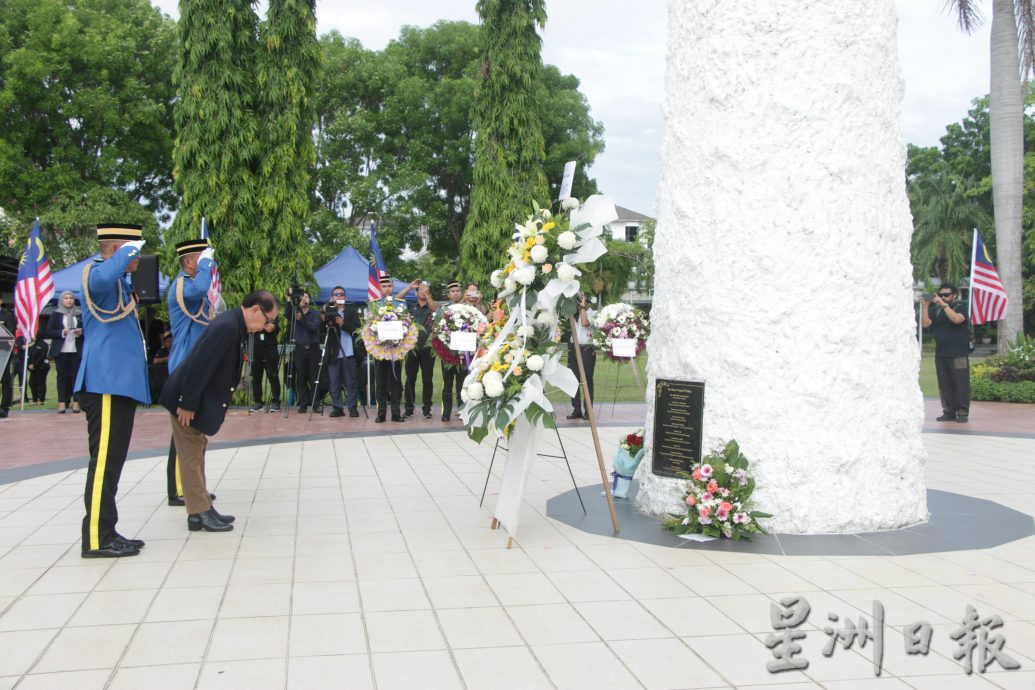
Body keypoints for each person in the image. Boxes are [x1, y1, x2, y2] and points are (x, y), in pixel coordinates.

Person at [161, 291, 279, 532]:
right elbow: (200, 364)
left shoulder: (233, 324)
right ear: (256, 310)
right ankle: (198, 513)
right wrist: (187, 402)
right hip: (186, 400)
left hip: (193, 399)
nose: (266, 325)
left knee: (197, 448)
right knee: (191, 455)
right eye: (267, 319)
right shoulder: (227, 326)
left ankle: (202, 506)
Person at [75, 222, 150, 558]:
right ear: (119, 250)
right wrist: (126, 254)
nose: (139, 259)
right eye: (134, 251)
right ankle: (96, 538)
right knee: (104, 463)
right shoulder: (97, 275)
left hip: (118, 384)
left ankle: (107, 530)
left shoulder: (118, 283)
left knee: (113, 463)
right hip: (105, 382)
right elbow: (103, 277)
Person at [165, 239, 215, 506]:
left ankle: (192, 485)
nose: (209, 264)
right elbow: (203, 286)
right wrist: (207, 263)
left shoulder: (194, 289)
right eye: (202, 258)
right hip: (184, 366)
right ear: (188, 261)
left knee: (194, 436)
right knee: (185, 436)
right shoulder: (184, 286)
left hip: (194, 365)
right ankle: (182, 489)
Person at [922, 283, 971, 423]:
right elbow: (925, 324)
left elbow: (956, 319)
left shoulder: (961, 307)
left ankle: (962, 412)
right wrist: (925, 307)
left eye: (946, 294)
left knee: (961, 384)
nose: (943, 297)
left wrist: (943, 304)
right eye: (941, 294)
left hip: (959, 353)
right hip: (941, 354)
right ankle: (949, 411)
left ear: (954, 295)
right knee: (945, 384)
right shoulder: (936, 310)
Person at [321, 286, 363, 418]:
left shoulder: (352, 311)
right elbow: (320, 331)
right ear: (332, 297)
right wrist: (323, 316)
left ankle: (352, 407)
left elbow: (357, 329)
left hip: (349, 353)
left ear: (345, 297)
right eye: (336, 294)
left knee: (351, 382)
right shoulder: (328, 311)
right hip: (333, 352)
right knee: (334, 382)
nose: (338, 296)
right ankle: (338, 407)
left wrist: (343, 323)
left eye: (341, 294)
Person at [398, 279, 437, 418]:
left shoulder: (431, 306)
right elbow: (398, 298)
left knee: (427, 379)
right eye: (420, 289)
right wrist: (409, 287)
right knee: (410, 379)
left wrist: (428, 297)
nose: (423, 291)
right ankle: (409, 409)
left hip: (427, 348)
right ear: (416, 292)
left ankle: (427, 410)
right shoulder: (410, 305)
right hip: (412, 348)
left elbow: (436, 310)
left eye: (426, 289)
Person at [370, 274, 407, 422]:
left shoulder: (401, 304)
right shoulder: (374, 304)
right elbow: (369, 326)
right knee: (380, 382)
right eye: (384, 286)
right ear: (380, 288)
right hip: (380, 350)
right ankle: (381, 413)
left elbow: (407, 324)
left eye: (389, 286)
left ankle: (396, 412)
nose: (387, 289)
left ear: (393, 287)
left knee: (396, 381)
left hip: (396, 350)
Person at [47, 291, 84, 413]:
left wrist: (80, 333)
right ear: (62, 300)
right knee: (62, 377)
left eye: (71, 298)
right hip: (61, 350)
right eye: (66, 298)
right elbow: (49, 332)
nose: (69, 300)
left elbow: (87, 330)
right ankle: (62, 403)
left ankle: (76, 403)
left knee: (75, 377)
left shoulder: (79, 314)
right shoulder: (56, 314)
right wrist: (63, 332)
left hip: (76, 350)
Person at [567, 291, 597, 420]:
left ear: (588, 303)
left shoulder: (594, 314)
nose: (579, 304)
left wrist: (583, 309)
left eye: (582, 302)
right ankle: (576, 409)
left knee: (587, 380)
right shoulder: (575, 314)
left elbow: (585, 324)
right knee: (573, 380)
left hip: (586, 351)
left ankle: (588, 411)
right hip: (574, 350)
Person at [291, 291, 322, 413]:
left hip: (313, 348)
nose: (304, 299)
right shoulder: (294, 313)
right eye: (302, 297)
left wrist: (302, 319)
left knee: (314, 378)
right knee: (301, 378)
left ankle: (316, 404)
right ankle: (303, 404)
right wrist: (290, 300)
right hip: (299, 348)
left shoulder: (315, 313)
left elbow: (313, 327)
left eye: (307, 297)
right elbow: (287, 313)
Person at [438, 281, 465, 421]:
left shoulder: (467, 308)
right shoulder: (442, 309)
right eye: (453, 291)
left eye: (458, 290)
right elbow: (437, 328)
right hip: (447, 354)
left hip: (463, 353)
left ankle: (462, 411)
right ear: (448, 294)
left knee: (462, 384)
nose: (456, 293)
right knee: (447, 384)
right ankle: (446, 413)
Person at [249, 307, 281, 413]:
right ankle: (258, 402)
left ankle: (276, 401)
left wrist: (259, 321)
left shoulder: (272, 316)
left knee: (273, 376)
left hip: (270, 351)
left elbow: (270, 328)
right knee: (256, 377)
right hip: (255, 350)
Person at [26, 331, 50, 406]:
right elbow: (29, 355)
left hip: (42, 367)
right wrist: (29, 365)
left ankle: (41, 399)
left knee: (41, 383)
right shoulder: (33, 344)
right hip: (33, 368)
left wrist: (35, 364)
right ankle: (34, 399)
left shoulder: (44, 344)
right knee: (32, 383)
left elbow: (42, 356)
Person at [0, 295, 14, 418]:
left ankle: (4, 407)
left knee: (5, 380)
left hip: (3, 352)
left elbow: (11, 333)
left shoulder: (8, 315)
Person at [149, 332, 172, 402]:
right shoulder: (162, 350)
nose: (170, 343)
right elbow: (155, 361)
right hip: (162, 376)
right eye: (168, 342)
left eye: (171, 341)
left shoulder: (177, 350)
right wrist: (167, 358)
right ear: (164, 343)